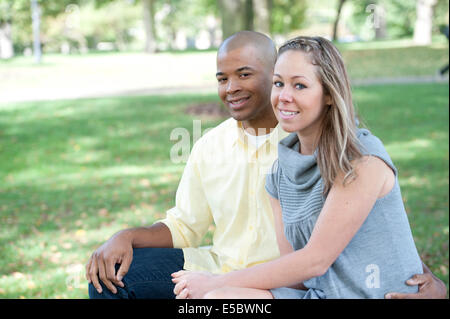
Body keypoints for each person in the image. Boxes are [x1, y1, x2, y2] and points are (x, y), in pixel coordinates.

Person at [86, 31, 446, 299]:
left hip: (305, 282)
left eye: (244, 74)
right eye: (222, 78)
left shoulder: (342, 149)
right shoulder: (248, 156)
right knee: (114, 281)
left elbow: (366, 233)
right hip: (244, 273)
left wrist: (425, 278)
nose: (231, 88)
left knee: (215, 301)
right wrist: (127, 236)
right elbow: (184, 224)